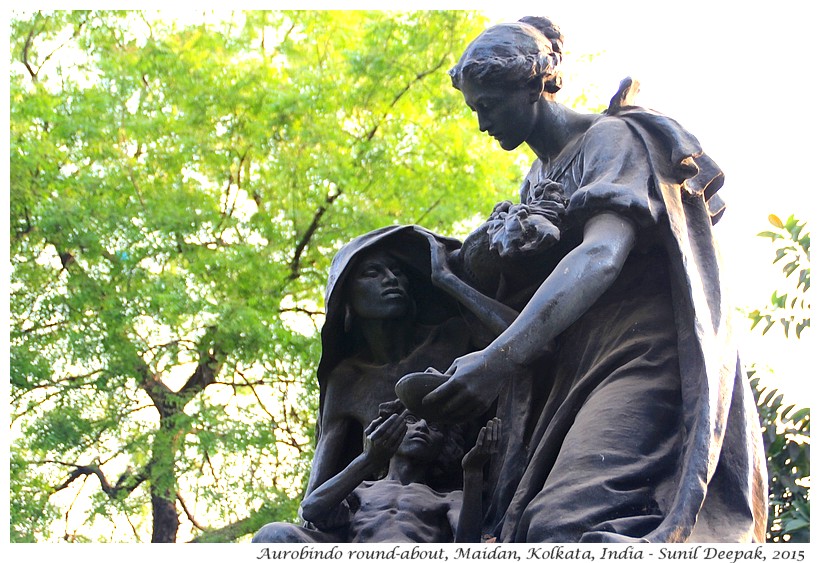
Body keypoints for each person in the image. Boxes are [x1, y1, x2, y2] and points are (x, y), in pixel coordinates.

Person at [418, 16, 768, 543]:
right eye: (474, 109)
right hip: (573, 370)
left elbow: (601, 255)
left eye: (487, 104)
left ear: (532, 86)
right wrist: (453, 281)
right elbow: (539, 308)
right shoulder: (537, 179)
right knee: (526, 527)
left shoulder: (612, 138)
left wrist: (496, 361)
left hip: (643, 357)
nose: (481, 122)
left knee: (565, 522)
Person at [305, 226, 511, 497]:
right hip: (381, 508)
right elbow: (315, 495)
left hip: (460, 502)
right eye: (372, 273)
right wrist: (370, 458)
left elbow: (528, 337)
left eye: (397, 271)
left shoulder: (452, 336)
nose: (391, 279)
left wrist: (448, 280)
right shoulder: (347, 378)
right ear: (346, 299)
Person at [252, 411, 501, 543]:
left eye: (435, 427)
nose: (422, 427)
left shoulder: (448, 498)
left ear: (444, 445)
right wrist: (369, 458)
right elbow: (311, 510)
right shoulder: (360, 490)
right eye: (411, 420)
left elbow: (467, 546)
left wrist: (473, 472)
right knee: (272, 534)